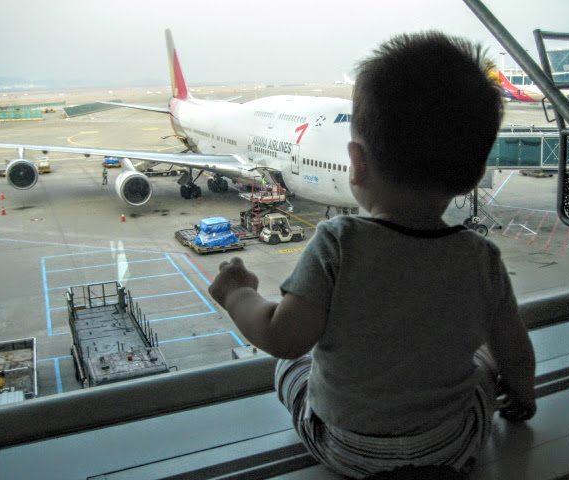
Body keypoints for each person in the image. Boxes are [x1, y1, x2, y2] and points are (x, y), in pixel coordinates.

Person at [208, 31, 536, 479]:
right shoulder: (482, 257)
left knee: (291, 368)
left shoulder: (338, 243)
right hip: (452, 445)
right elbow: (515, 352)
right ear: (474, 176)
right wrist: (524, 395)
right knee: (483, 359)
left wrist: (236, 294)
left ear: (356, 164)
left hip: (348, 449)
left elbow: (282, 337)